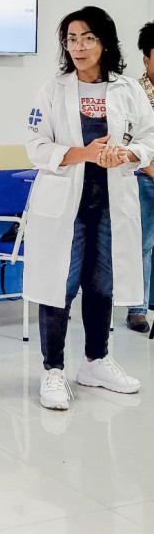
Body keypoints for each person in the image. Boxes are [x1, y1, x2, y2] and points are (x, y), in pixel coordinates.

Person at [24, 6, 154, 410]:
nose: (78, 47)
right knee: (58, 284)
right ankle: (53, 370)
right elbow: (36, 146)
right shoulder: (53, 89)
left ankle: (96, 362)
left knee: (102, 284)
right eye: (71, 39)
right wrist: (83, 153)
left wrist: (126, 155)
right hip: (65, 205)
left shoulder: (128, 90)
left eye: (88, 38)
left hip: (112, 203)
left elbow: (149, 139)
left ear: (105, 42)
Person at [125, 21, 154, 333]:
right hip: (144, 178)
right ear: (146, 58)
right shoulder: (134, 93)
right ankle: (138, 309)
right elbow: (129, 140)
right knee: (144, 244)